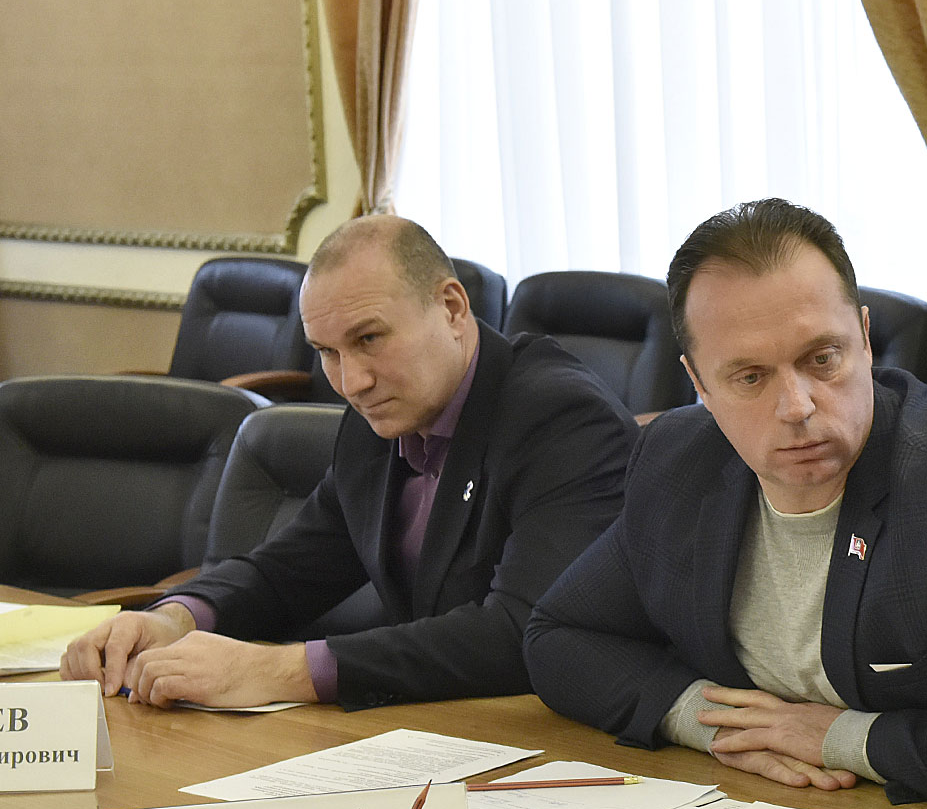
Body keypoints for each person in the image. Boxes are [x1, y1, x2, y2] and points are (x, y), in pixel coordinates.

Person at [524, 198, 927, 809]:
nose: (797, 405)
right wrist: (709, 722)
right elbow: (558, 639)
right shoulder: (678, 462)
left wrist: (839, 739)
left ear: (866, 340)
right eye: (750, 377)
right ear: (699, 384)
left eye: (822, 359)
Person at [61, 215, 637, 710]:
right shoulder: (379, 416)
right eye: (327, 352)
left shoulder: (561, 418)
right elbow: (289, 570)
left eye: (369, 339)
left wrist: (277, 671)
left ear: (451, 308)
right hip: (438, 729)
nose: (352, 382)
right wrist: (175, 618)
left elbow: (521, 634)